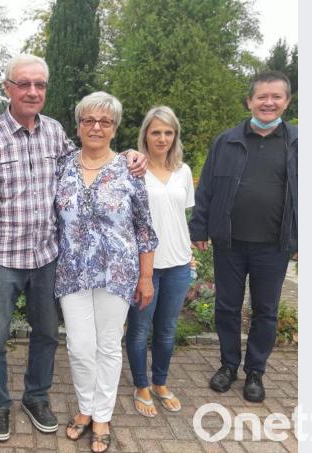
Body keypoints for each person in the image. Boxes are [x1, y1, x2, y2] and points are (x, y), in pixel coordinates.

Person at [0, 55, 147, 442]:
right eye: (24, 83)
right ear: (8, 87)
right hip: (2, 258)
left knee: (46, 334)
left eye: (40, 85)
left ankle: (36, 397)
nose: (32, 91)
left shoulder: (55, 132)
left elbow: (92, 156)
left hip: (48, 258)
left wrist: (131, 154)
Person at [55, 92, 157, 453]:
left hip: (117, 273)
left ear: (115, 128)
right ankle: (84, 408)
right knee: (80, 346)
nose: (96, 127)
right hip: (71, 273)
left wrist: (145, 278)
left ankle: (101, 414)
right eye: (89, 120)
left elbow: (145, 229)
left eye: (105, 121)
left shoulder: (129, 169)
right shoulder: (63, 164)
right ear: (78, 125)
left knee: (108, 345)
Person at [189, 70, 297, 403]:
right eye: (261, 96)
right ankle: (228, 365)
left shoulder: (297, 144)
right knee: (227, 307)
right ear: (249, 101)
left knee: (265, 310)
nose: (268, 102)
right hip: (229, 243)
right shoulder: (227, 141)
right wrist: (199, 227)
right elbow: (206, 186)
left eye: (276, 96)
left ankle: (255, 372)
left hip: (273, 246)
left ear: (287, 102)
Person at [125, 106, 194, 418]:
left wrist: (191, 257)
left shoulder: (184, 171)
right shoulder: (133, 170)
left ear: (175, 135)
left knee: (167, 329)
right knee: (139, 330)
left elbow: (182, 216)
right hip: (144, 266)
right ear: (145, 135)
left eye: (168, 132)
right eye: (156, 132)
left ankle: (160, 383)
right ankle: (141, 385)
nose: (162, 138)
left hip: (179, 263)